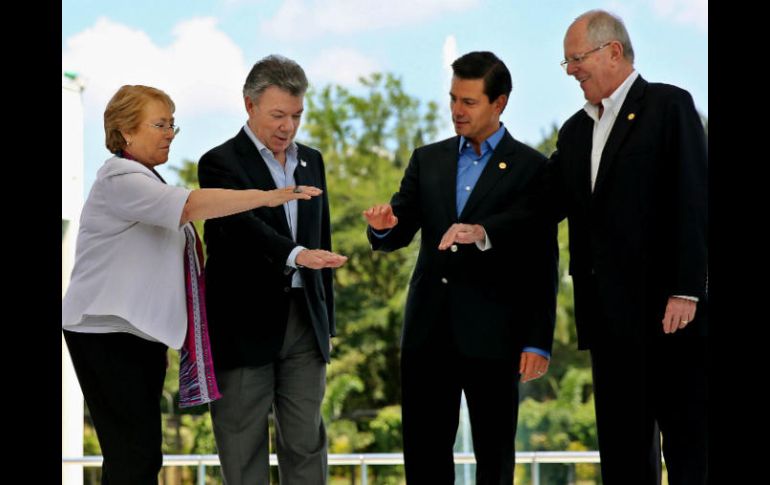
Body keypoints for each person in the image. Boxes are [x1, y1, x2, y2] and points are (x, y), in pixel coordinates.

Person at [61, 84, 321, 485]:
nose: (169, 133)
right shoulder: (122, 177)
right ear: (126, 131)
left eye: (173, 125)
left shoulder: (148, 182)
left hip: (133, 335)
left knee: (135, 455)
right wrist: (269, 197)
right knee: (136, 456)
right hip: (106, 332)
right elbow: (191, 206)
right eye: (160, 124)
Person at [363, 51, 558, 484]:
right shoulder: (426, 159)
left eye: (468, 102)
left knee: (494, 456)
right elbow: (398, 229)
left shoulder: (532, 169)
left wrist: (537, 341)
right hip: (427, 334)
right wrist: (382, 228)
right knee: (424, 455)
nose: (456, 110)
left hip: (497, 338)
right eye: (453, 98)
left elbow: (542, 261)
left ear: (499, 103)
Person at [544, 10, 708, 484]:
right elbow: (540, 203)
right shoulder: (575, 132)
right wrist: (482, 226)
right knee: (623, 456)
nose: (571, 70)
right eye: (567, 63)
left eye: (577, 59)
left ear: (613, 51)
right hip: (608, 323)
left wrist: (686, 289)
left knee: (688, 448)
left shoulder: (669, 106)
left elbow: (694, 198)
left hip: (672, 315)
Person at [198, 54, 347, 485]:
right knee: (242, 445)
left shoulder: (311, 161)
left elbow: (324, 240)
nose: (288, 126)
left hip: (305, 321)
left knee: (306, 442)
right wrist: (296, 254)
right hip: (243, 326)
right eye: (278, 114)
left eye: (297, 116)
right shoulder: (219, 163)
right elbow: (244, 229)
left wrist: (327, 324)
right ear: (249, 105)